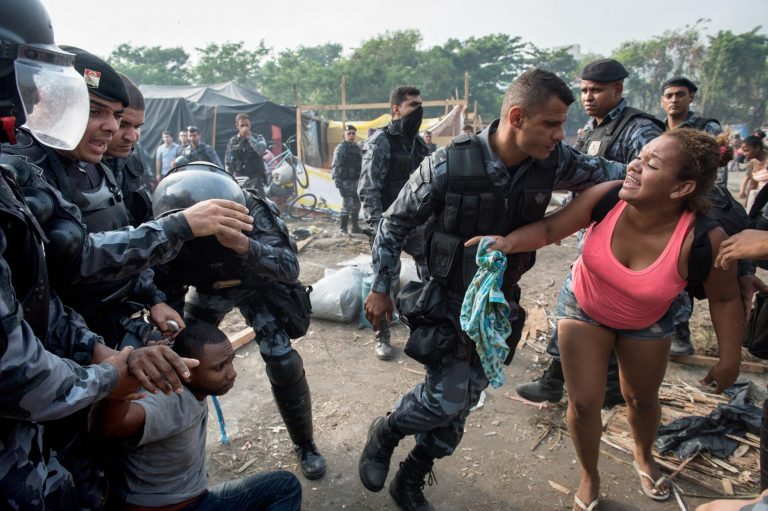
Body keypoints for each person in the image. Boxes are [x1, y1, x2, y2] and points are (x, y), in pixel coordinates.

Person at [358, 69, 626, 510]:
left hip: (498, 304)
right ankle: (387, 430)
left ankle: (409, 478)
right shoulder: (448, 163)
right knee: (444, 399)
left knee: (462, 406)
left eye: (563, 125)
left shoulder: (554, 161)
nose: (561, 135)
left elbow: (623, 173)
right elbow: (394, 222)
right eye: (552, 124)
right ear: (517, 116)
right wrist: (381, 287)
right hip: (445, 298)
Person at [467, 128, 743, 510]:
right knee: (583, 403)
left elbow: (726, 298)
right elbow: (551, 227)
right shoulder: (608, 197)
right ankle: (589, 476)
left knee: (642, 400)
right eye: (639, 155)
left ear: (681, 189)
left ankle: (644, 456)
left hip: (648, 321)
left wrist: (731, 359)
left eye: (651, 164)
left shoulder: (701, 238)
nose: (634, 165)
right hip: (585, 307)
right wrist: (507, 242)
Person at [0, 1, 201, 506]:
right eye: (100, 113)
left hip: (76, 358)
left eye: (121, 118)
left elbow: (37, 292)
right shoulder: (28, 168)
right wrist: (108, 373)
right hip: (47, 384)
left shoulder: (92, 169)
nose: (115, 131)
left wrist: (102, 348)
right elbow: (77, 259)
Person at [152, 162, 326, 481]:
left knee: (283, 362)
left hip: (256, 285)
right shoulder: (170, 218)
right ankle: (181, 449)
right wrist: (168, 322)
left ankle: (305, 444)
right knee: (181, 360)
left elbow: (289, 267)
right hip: (208, 289)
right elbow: (164, 281)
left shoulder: (252, 209)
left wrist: (245, 246)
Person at [516, 58, 664, 405]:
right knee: (578, 307)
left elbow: (656, 184)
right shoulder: (590, 130)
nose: (588, 96)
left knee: (611, 318)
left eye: (596, 90)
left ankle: (607, 396)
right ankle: (556, 382)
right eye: (583, 90)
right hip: (595, 237)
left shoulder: (639, 130)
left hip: (627, 246)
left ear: (618, 89)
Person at [90, 321, 303, 510]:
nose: (232, 373)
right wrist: (120, 388)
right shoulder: (169, 398)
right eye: (219, 367)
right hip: (178, 506)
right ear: (187, 371)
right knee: (286, 487)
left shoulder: (193, 388)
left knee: (284, 485)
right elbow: (107, 427)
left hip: (194, 497)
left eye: (231, 360)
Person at [358, 85, 430, 361]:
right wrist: (379, 231)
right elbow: (369, 189)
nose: (418, 111)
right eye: (413, 105)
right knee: (384, 282)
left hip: (417, 225)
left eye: (421, 105)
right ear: (396, 109)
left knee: (433, 273)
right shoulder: (381, 143)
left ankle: (424, 327)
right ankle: (382, 334)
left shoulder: (420, 145)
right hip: (387, 226)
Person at [104, 73, 153, 227]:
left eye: (138, 126)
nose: (132, 137)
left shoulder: (130, 162)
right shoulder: (75, 168)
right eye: (122, 124)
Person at [661, 76, 727, 184]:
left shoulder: (708, 128)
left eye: (680, 95)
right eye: (669, 96)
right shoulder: (657, 130)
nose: (674, 100)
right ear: (662, 100)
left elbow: (719, 170)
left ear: (691, 97)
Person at [225, 113, 269, 194]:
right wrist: (228, 178)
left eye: (247, 125)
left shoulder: (258, 137)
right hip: (239, 179)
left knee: (259, 204)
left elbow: (261, 151)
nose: (245, 127)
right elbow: (228, 162)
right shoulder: (233, 141)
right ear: (237, 126)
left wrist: (249, 136)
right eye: (242, 125)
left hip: (255, 180)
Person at [332, 124, 363, 233]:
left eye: (353, 133)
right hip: (345, 181)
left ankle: (355, 227)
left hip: (356, 180)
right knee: (347, 204)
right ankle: (343, 228)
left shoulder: (357, 147)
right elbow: (336, 164)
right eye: (349, 133)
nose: (351, 135)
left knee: (357, 204)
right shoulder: (341, 148)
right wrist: (336, 178)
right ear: (344, 135)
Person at [739, 136, 768, 211]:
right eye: (744, 151)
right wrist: (748, 203)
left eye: (747, 150)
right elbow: (752, 185)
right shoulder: (753, 162)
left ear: (757, 148)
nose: (745, 154)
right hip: (760, 198)